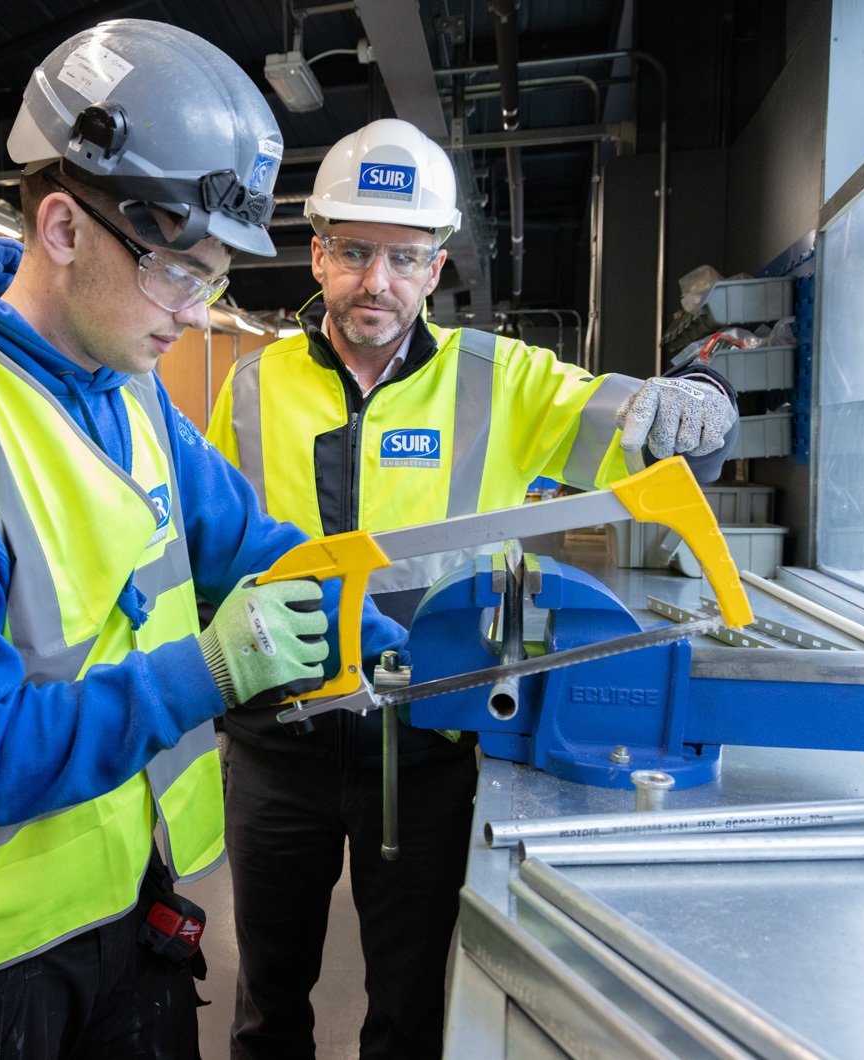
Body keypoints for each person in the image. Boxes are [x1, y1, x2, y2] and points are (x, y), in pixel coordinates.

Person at [0, 22, 404, 1060]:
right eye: (178, 272)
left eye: (211, 279)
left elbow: (247, 539)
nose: (195, 314)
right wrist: (205, 672)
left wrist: (365, 620)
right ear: (63, 228)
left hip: (119, 904)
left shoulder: (129, 392)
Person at [207, 117, 739, 1060]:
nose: (378, 281)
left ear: (438, 262)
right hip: (274, 741)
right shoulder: (251, 385)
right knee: (266, 998)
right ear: (318, 250)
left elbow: (630, 417)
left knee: (410, 1003)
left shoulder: (500, 381)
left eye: (405, 258)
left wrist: (701, 396)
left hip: (427, 744)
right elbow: (216, 551)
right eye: (356, 252)